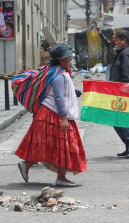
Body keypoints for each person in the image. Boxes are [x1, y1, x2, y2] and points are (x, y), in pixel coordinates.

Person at [16, 45, 86, 187]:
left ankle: (27, 165)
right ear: (61, 60)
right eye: (67, 57)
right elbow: (59, 98)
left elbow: (58, 92)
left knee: (54, 145)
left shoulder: (55, 71)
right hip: (52, 114)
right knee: (63, 144)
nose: (69, 59)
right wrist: (64, 117)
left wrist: (74, 92)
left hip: (48, 113)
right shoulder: (58, 75)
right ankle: (61, 178)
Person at [109, 30, 129, 158]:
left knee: (115, 118)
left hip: (124, 92)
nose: (115, 42)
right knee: (128, 121)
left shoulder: (126, 53)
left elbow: (126, 74)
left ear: (124, 41)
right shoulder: (128, 52)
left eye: (117, 40)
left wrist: (123, 90)